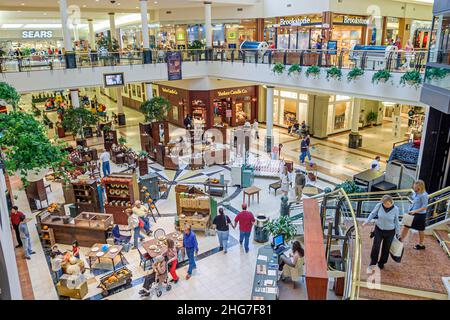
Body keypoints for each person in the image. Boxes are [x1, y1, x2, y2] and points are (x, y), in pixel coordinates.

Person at [363, 195, 400, 270]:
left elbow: (396, 221)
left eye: (388, 204)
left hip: (390, 231)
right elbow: (373, 214)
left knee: (386, 248)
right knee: (376, 246)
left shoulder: (396, 209)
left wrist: (398, 233)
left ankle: (381, 263)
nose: (386, 206)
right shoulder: (379, 205)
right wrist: (366, 222)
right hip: (379, 229)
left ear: (391, 202)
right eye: (385, 204)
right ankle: (373, 262)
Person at [399, 180, 429, 250]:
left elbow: (425, 207)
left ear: (420, 187)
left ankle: (421, 244)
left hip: (420, 215)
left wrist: (415, 211)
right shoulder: (416, 193)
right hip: (411, 212)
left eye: (415, 187)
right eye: (414, 186)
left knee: (420, 229)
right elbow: (415, 202)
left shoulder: (424, 195)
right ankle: (400, 239)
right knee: (406, 226)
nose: (414, 188)